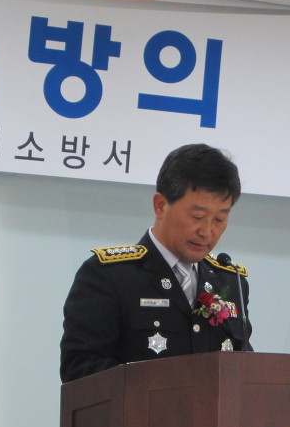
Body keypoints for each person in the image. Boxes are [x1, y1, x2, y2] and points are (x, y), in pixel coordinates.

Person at [60, 143, 252, 383]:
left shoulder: (230, 281)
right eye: (197, 216)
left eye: (220, 219)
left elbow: (244, 370)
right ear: (160, 205)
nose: (206, 231)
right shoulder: (108, 276)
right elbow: (80, 370)